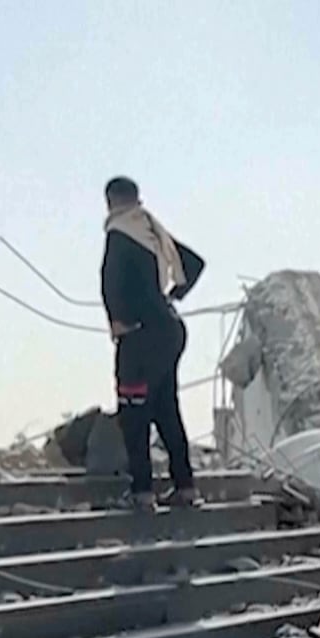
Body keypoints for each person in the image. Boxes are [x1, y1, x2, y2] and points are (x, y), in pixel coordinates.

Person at [100, 176, 206, 511]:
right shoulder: (150, 230)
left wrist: (118, 319)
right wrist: (172, 296)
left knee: (133, 413)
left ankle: (142, 492)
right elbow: (194, 263)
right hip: (170, 329)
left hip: (140, 335)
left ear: (110, 202)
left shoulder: (119, 233)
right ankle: (185, 487)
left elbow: (111, 282)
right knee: (165, 408)